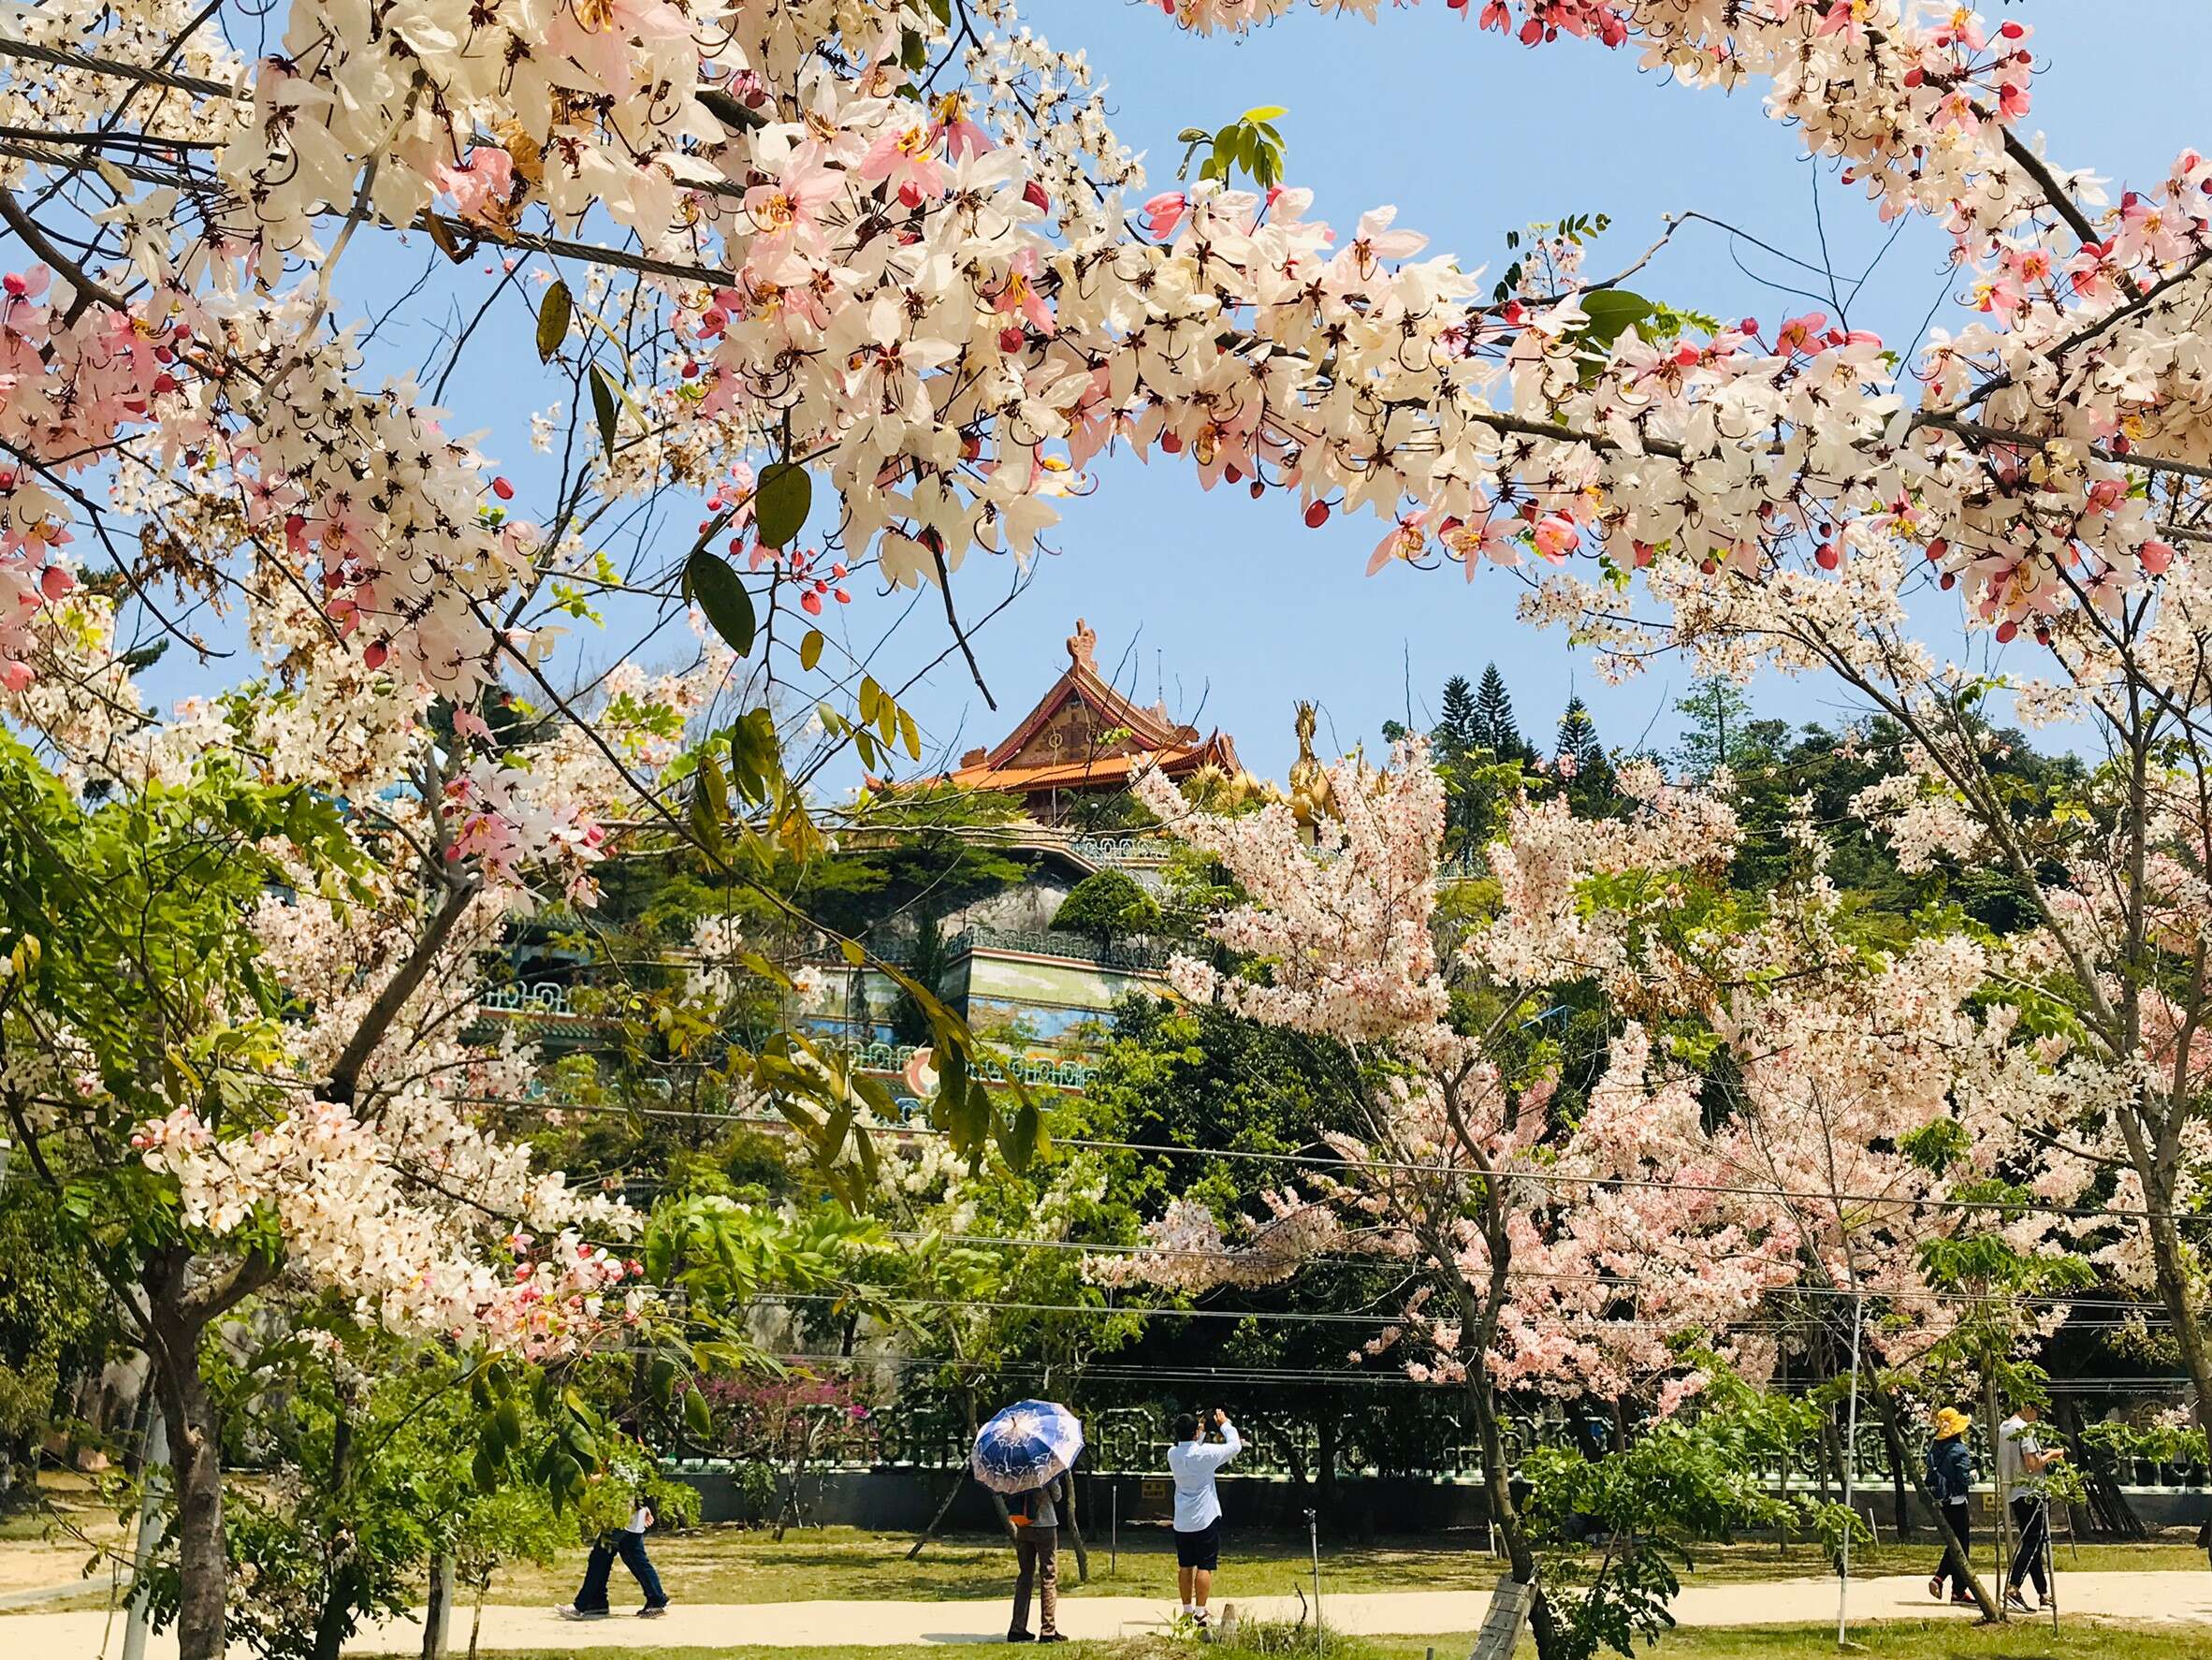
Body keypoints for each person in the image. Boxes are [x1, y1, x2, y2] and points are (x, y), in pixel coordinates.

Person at [1167, 1408, 1241, 1628]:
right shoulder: (1205, 1454)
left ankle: (1187, 1611)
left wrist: (1198, 1431)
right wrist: (1224, 1424)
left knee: (1185, 1565)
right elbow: (1235, 1446)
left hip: (1182, 1520)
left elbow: (1191, 1446)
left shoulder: (1173, 1454)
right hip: (1205, 1518)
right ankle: (1201, 1612)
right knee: (1205, 1566)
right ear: (1194, 1432)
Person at [1998, 1402, 2065, 1614]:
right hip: (2031, 1492)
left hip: (2013, 1490)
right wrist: (2053, 1455)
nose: (2037, 1417)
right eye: (2036, 1412)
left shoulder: (2005, 1427)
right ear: (2027, 1408)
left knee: (2032, 1544)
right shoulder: (2025, 1429)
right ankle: (2013, 1587)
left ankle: (2043, 1593)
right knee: (2034, 1541)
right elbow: (2032, 1464)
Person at [561, 1494, 670, 1620]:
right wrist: (644, 1506)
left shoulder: (617, 1475)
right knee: (634, 1557)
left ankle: (581, 1605)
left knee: (600, 1558)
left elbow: (624, 1484)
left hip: (621, 1515)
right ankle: (597, 1602)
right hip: (629, 1515)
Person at [1006, 1471, 1068, 1644]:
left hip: (1023, 1525)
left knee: (1025, 1575)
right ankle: (1048, 1629)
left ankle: (1017, 1628)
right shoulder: (1046, 1468)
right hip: (1045, 1525)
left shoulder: (1016, 1469)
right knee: (1048, 1575)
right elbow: (1057, 1496)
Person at [1924, 1407, 1977, 1606]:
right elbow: (1963, 1478)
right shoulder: (1959, 1450)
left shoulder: (1934, 1449)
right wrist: (1973, 1476)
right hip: (1957, 1501)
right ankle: (1956, 1589)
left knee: (1954, 1542)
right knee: (1961, 1546)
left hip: (1942, 1501)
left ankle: (1944, 1581)